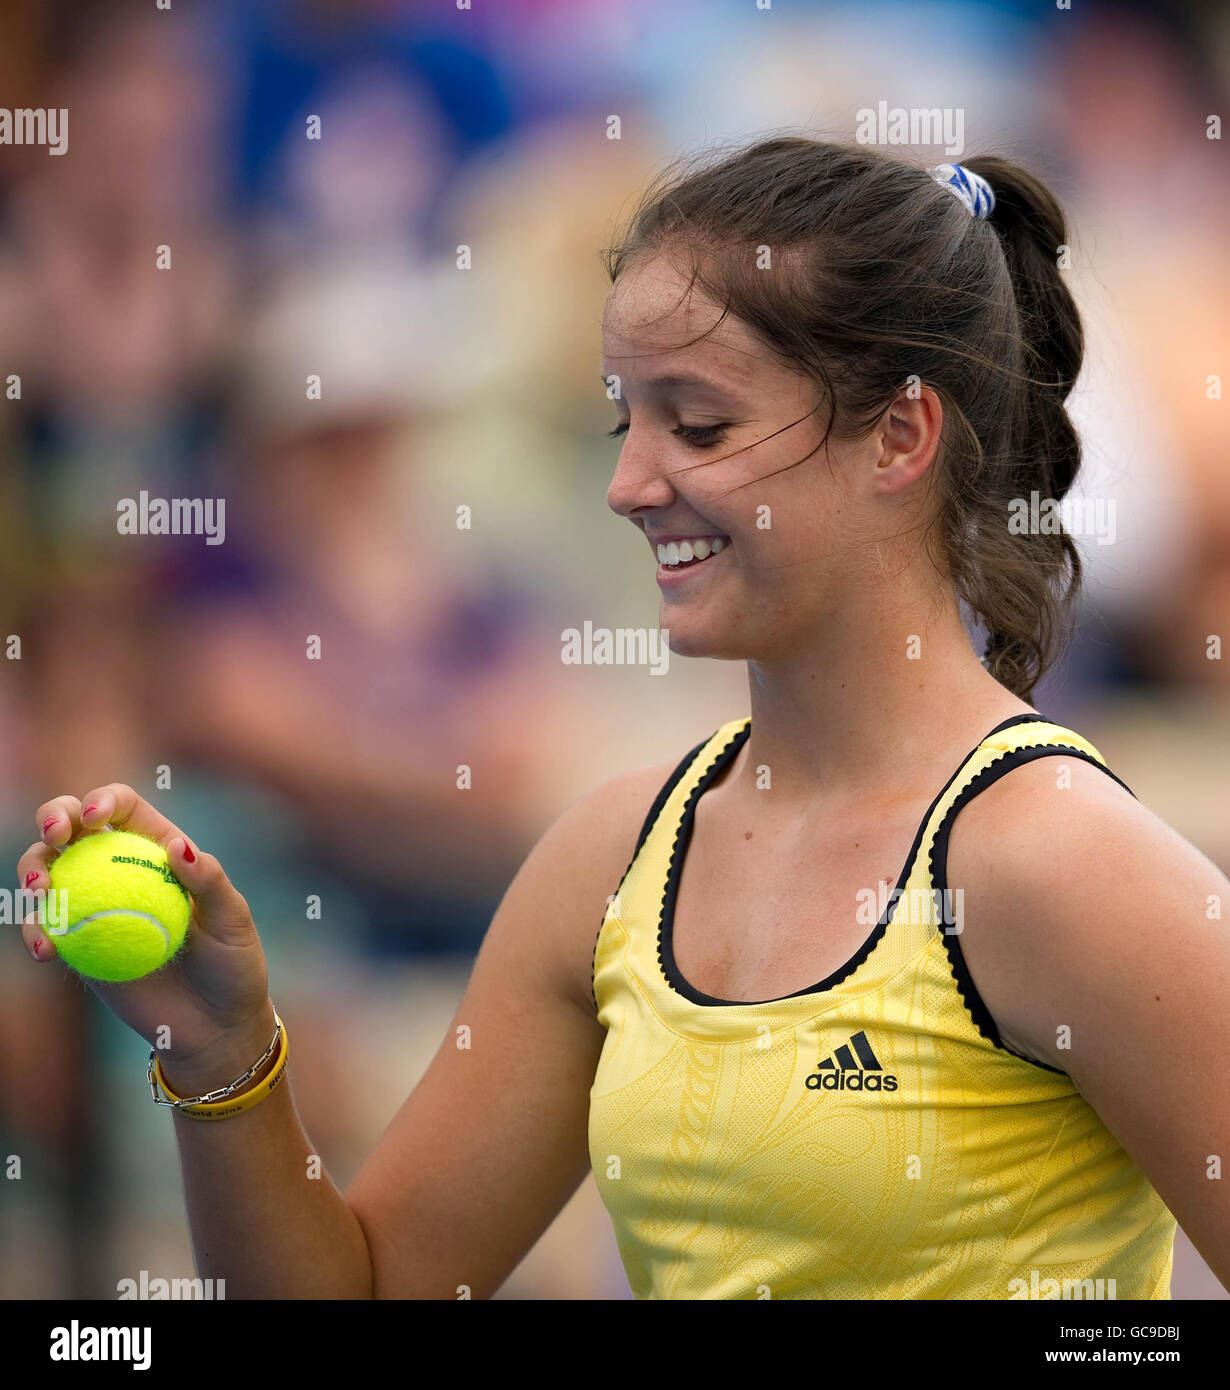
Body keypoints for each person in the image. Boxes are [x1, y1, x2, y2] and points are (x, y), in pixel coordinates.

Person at [19, 137, 1229, 1300]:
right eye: (623, 421)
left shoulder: (1064, 865)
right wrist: (222, 1053)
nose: (630, 483)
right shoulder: (612, 860)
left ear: (900, 436)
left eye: (698, 423)